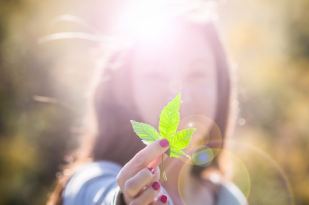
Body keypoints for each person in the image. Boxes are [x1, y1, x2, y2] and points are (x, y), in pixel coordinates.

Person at [46, 3, 248, 205]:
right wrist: (124, 200)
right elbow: (101, 196)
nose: (180, 94)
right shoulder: (91, 181)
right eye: (155, 74)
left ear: (220, 87)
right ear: (127, 91)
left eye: (197, 74)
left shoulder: (228, 198)